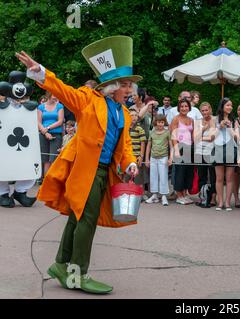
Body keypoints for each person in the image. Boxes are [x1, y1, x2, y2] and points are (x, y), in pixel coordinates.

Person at [16, 35, 139, 294]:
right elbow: (63, 90)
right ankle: (78, 273)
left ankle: (62, 265)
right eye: (127, 85)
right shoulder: (88, 100)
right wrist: (40, 73)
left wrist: (130, 163)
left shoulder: (124, 113)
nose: (130, 90)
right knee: (86, 221)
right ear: (114, 85)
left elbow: (124, 144)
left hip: (105, 173)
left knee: (78, 217)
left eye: (130, 85)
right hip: (86, 172)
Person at [0, 71, 39, 208]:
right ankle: (2, 194)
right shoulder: (1, 106)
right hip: (4, 145)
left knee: (31, 167)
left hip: (25, 146)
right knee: (2, 167)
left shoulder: (29, 108)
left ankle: (20, 192)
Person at [212, 98, 239, 211]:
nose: (230, 107)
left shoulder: (234, 120)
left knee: (229, 178)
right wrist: (220, 126)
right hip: (218, 149)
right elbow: (212, 136)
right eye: (228, 105)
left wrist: (229, 128)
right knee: (219, 178)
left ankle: (227, 202)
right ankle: (220, 202)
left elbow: (237, 137)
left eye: (231, 105)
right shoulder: (215, 119)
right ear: (222, 106)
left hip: (231, 149)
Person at [170, 98, 195, 205]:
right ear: (178, 108)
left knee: (188, 172)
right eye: (182, 106)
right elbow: (173, 135)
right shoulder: (176, 119)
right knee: (179, 172)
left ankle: (185, 194)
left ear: (189, 107)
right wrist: (176, 150)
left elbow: (193, 135)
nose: (184, 108)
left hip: (190, 148)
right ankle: (179, 195)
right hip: (179, 147)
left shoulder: (191, 120)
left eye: (186, 106)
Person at [194, 102, 217, 208]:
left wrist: (200, 137)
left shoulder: (214, 120)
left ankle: (212, 197)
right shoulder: (198, 121)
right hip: (199, 151)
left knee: (213, 176)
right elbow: (194, 138)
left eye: (206, 110)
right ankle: (202, 197)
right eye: (202, 110)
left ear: (210, 110)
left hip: (211, 151)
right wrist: (203, 128)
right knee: (201, 175)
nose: (204, 112)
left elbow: (212, 137)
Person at [145, 114, 172, 206]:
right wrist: (147, 158)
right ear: (155, 122)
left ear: (164, 122)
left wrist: (170, 158)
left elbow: (171, 146)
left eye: (162, 122)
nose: (160, 124)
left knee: (163, 176)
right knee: (153, 176)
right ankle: (154, 195)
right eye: (158, 122)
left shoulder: (167, 132)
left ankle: (164, 195)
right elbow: (148, 146)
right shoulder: (152, 133)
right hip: (153, 157)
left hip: (163, 157)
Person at [37, 91, 64, 177]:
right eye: (54, 95)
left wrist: (48, 129)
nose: (56, 97)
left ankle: (52, 182)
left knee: (54, 159)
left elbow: (60, 121)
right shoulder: (41, 107)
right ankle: (45, 182)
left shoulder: (59, 106)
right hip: (43, 135)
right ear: (49, 95)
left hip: (56, 135)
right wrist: (45, 133)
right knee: (45, 160)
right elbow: (38, 122)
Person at [127, 109, 146, 187]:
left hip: (137, 156)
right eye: (132, 115)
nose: (134, 117)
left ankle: (140, 195)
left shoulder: (139, 129)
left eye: (135, 115)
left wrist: (141, 156)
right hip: (128, 156)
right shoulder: (125, 128)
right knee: (127, 177)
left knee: (138, 178)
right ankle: (129, 194)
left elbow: (143, 142)